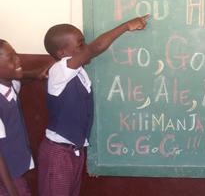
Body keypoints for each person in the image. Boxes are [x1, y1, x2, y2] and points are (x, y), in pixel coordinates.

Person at [37, 15, 148, 196]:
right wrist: (126, 26)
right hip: (58, 154)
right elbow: (94, 49)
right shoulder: (59, 71)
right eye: (80, 44)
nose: (85, 47)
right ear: (62, 54)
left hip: (73, 152)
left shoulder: (76, 72)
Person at [0, 39, 48, 195]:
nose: (18, 59)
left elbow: (21, 79)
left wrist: (36, 74)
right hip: (7, 177)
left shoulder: (11, 84)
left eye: (16, 54)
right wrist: (11, 189)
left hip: (15, 171)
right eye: (11, 58)